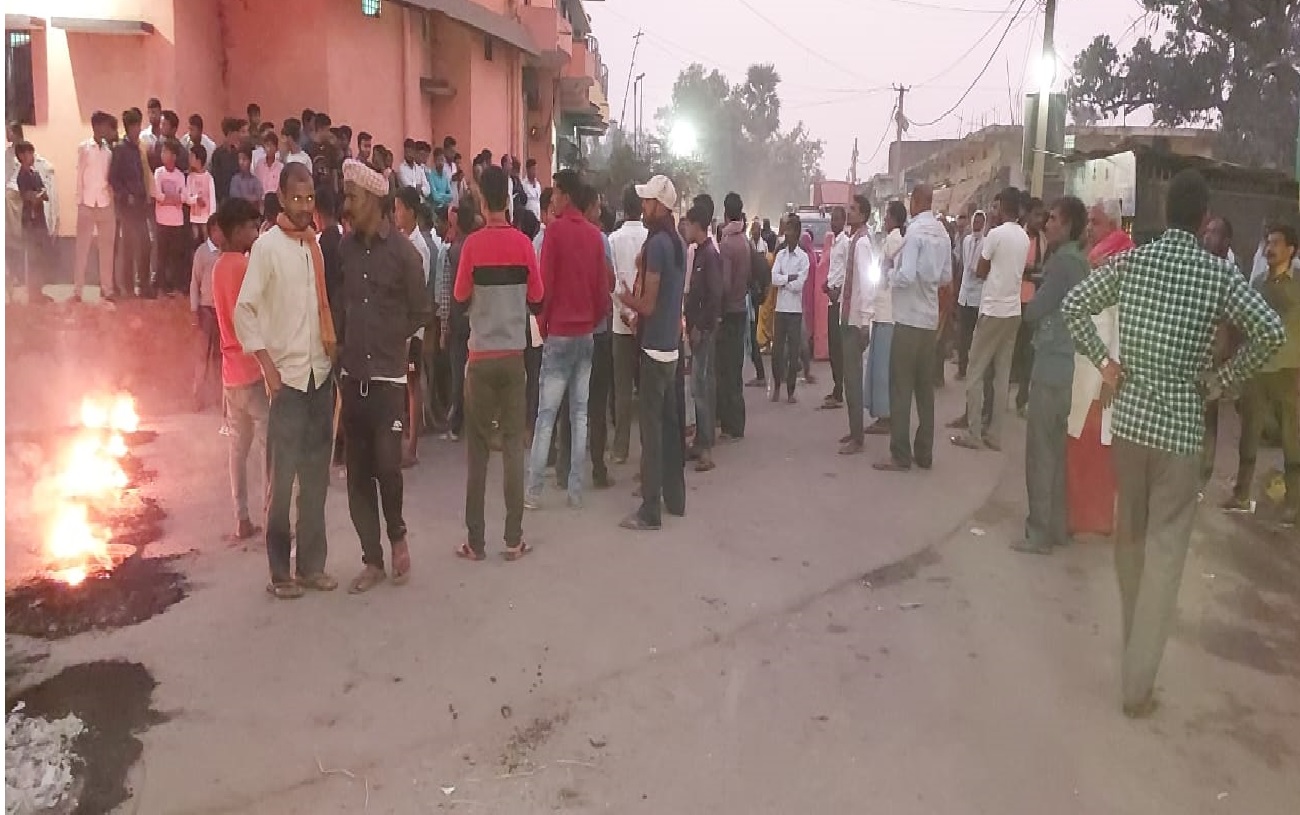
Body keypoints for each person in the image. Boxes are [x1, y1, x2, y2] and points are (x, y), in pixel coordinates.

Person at [1061, 168, 1285, 717]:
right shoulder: (1217, 276)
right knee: (1164, 555)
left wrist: (1106, 364)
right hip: (1181, 431)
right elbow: (1271, 332)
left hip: (1131, 425)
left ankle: (1134, 650)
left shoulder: (1134, 262)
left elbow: (1073, 306)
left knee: (1130, 542)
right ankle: (1137, 684)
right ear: (1204, 218)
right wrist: (1222, 381)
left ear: (1165, 214)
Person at [234, 162, 340, 599]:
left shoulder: (314, 245)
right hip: (288, 382)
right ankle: (280, 572)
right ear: (280, 199)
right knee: (281, 482)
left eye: (309, 197)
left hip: (319, 375)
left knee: (315, 478)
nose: (304, 206)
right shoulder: (267, 248)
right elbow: (244, 309)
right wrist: (267, 366)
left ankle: (312, 566)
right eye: (296, 198)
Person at [337, 161, 432, 594]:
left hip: (389, 380)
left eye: (353, 198)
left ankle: (397, 534)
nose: (347, 205)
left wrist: (393, 339)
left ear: (374, 202)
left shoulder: (404, 255)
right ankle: (371, 560)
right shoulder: (344, 250)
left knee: (388, 467)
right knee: (358, 473)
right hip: (352, 376)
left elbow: (420, 311)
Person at [453, 166, 544, 561]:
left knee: (477, 452)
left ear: (481, 199)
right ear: (507, 199)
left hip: (480, 357)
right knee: (512, 446)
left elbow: (460, 298)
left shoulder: (472, 246)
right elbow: (537, 299)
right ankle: (513, 539)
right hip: (513, 357)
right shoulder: (524, 245)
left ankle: (475, 541)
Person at [525, 171, 609, 510]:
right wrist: (590, 319)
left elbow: (544, 287)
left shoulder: (555, 233)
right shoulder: (594, 236)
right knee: (579, 412)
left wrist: (544, 326)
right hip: (585, 333)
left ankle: (534, 491)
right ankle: (575, 490)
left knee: (547, 415)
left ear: (567, 196)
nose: (553, 199)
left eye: (557, 193)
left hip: (559, 332)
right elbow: (602, 293)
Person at [1012, 196, 1090, 555]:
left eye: (1055, 219)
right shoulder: (1079, 261)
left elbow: (1036, 310)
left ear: (1069, 225)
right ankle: (1057, 526)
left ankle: (1039, 531)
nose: (1048, 224)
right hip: (1069, 365)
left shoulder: (1062, 263)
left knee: (1041, 453)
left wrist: (1032, 299)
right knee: (1057, 452)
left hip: (1051, 364)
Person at [617, 176, 687, 530]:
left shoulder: (658, 245)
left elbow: (648, 303)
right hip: (670, 347)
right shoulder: (676, 243)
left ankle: (650, 509)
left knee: (652, 432)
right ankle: (675, 498)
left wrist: (624, 298)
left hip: (655, 349)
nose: (643, 207)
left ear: (660, 206)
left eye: (647, 202)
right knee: (671, 428)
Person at [1224, 223, 1299, 527]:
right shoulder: (1257, 283)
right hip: (1258, 369)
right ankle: (1241, 494)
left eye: (1276, 243)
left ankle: (1293, 503)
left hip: (1290, 371)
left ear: (1291, 249)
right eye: (1268, 242)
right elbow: (1246, 324)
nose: (1269, 248)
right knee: (1250, 434)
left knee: (1292, 439)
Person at [875, 184, 952, 472]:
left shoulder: (914, 234)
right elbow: (946, 276)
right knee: (924, 390)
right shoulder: (942, 233)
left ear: (917, 201)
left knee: (901, 388)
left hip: (908, 319)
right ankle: (924, 452)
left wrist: (889, 274)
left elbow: (906, 275)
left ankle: (900, 453)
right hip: (929, 320)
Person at [1066, 200, 1132, 537]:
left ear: (1113, 226)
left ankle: (1095, 521)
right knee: (1079, 444)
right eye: (1089, 221)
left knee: (1095, 446)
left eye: (1097, 222)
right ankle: (1078, 517)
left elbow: (1123, 326)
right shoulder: (1096, 258)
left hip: (1102, 372)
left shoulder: (1123, 259)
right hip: (1085, 366)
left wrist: (1111, 373)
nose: (1090, 228)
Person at [952, 187, 1029, 452]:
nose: (992, 212)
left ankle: (974, 431)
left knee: (975, 371)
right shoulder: (1024, 237)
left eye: (995, 207)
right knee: (1002, 375)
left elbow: (981, 269)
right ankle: (995, 434)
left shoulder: (995, 235)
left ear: (1002, 208)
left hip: (993, 308)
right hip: (1013, 311)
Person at [555, 186, 616, 492]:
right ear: (588, 207)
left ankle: (565, 468)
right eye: (597, 207)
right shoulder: (599, 240)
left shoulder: (557, 235)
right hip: (597, 331)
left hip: (568, 331)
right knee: (596, 404)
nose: (600, 213)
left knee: (570, 403)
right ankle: (598, 469)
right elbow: (608, 283)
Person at [212, 198, 266, 542]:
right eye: (249, 227)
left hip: (230, 372)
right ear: (234, 232)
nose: (255, 232)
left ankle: (241, 518)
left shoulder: (218, 267)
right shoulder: (246, 267)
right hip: (254, 369)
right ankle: (273, 518)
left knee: (238, 448)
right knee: (269, 448)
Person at [393, 186, 434, 468]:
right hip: (399, 325)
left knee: (412, 383)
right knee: (403, 383)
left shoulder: (419, 247)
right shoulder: (402, 241)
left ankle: (413, 446)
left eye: (398, 209)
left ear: (409, 211)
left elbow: (416, 290)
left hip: (412, 327)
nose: (396, 214)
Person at [683, 201, 723, 471]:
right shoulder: (699, 253)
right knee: (698, 386)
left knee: (701, 388)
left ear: (697, 226)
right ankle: (700, 441)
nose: (685, 229)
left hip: (704, 331)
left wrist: (700, 326)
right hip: (697, 328)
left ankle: (706, 447)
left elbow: (714, 295)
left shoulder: (710, 255)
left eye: (688, 225)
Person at [609, 185, 649, 462]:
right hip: (646, 321)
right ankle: (648, 448)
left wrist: (625, 312)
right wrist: (638, 314)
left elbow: (611, 282)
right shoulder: (650, 237)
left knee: (622, 389)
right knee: (646, 388)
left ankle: (620, 448)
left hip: (621, 323)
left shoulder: (613, 239)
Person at [837, 194, 876, 455]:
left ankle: (858, 437)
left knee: (852, 380)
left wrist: (865, 321)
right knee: (849, 378)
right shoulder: (855, 240)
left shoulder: (862, 244)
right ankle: (854, 430)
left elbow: (867, 283)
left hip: (855, 321)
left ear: (862, 215)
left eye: (853, 209)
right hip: (848, 316)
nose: (848, 212)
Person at [866, 201, 905, 436]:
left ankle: (886, 415)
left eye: (887, 215)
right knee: (881, 364)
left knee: (882, 367)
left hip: (888, 310)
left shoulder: (894, 240)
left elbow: (886, 272)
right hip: (884, 309)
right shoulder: (893, 239)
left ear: (893, 218)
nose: (885, 219)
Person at [716, 192, 751, 439]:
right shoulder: (744, 242)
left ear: (726, 213)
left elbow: (725, 284)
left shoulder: (727, 244)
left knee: (726, 371)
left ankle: (730, 425)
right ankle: (737, 423)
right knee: (735, 369)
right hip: (741, 308)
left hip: (729, 311)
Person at [73, 111, 117, 303]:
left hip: (105, 203)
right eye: (104, 125)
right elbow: (79, 175)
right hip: (87, 203)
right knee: (82, 248)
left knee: (107, 248)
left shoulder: (109, 151)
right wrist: (79, 201)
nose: (107, 129)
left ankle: (107, 288)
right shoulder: (84, 148)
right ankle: (77, 289)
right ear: (96, 127)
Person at [109, 107, 151, 300]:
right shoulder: (120, 149)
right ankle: (128, 287)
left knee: (145, 244)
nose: (138, 129)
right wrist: (126, 195)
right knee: (129, 247)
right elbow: (113, 179)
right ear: (129, 127)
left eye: (139, 125)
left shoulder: (138, 148)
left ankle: (144, 285)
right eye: (135, 126)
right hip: (126, 207)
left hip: (141, 204)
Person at [769, 215, 809, 404]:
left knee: (793, 352)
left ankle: (790, 391)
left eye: (791, 230)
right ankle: (777, 386)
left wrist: (784, 280)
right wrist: (788, 278)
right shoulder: (780, 255)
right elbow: (773, 278)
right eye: (786, 230)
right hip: (781, 309)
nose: (787, 234)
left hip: (794, 310)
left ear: (797, 233)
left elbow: (799, 284)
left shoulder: (803, 258)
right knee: (777, 351)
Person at [11, 141, 52, 303]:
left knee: (41, 256)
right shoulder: (21, 176)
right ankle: (33, 292)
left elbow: (44, 194)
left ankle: (38, 290)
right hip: (30, 221)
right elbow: (29, 197)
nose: (31, 157)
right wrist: (38, 195)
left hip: (39, 219)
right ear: (21, 156)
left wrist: (39, 195)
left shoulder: (34, 173)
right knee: (33, 257)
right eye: (28, 154)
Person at [190, 221, 224, 410]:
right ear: (212, 231)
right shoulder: (202, 252)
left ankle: (220, 398)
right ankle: (198, 397)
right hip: (205, 310)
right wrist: (194, 309)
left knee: (219, 357)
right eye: (218, 230)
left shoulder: (225, 251)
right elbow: (194, 283)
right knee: (202, 356)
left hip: (221, 310)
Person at [821, 206, 850, 409]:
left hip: (838, 300)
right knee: (833, 346)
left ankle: (840, 390)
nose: (833, 222)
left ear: (843, 221)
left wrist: (837, 290)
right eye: (832, 219)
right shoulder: (834, 242)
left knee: (838, 348)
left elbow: (848, 271)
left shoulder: (846, 243)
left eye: (837, 219)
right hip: (831, 298)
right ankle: (836, 386)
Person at [152, 140, 188, 296]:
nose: (163, 155)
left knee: (175, 256)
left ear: (174, 156)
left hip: (176, 221)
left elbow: (184, 197)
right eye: (162, 152)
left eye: (166, 152)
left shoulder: (180, 175)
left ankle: (175, 287)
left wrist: (169, 199)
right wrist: (173, 199)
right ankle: (160, 287)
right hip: (161, 220)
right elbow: (158, 195)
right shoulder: (158, 173)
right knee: (161, 255)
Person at [956, 209, 987, 379]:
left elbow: (981, 269)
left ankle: (974, 368)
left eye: (980, 222)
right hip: (964, 294)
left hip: (977, 295)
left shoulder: (986, 243)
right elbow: (964, 263)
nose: (977, 224)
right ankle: (962, 368)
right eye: (975, 221)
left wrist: (975, 270)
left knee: (976, 335)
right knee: (963, 334)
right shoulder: (966, 240)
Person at [186, 144, 217, 246]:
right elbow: (187, 198)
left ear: (198, 160)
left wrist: (212, 218)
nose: (189, 159)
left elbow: (212, 200)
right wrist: (196, 199)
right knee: (195, 241)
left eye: (192, 156)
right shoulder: (190, 177)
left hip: (206, 218)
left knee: (207, 241)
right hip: (194, 217)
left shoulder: (209, 178)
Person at [210, 117, 244, 206]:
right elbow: (215, 177)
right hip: (222, 198)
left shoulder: (237, 153)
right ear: (229, 134)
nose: (237, 138)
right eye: (235, 135)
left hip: (236, 197)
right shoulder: (218, 154)